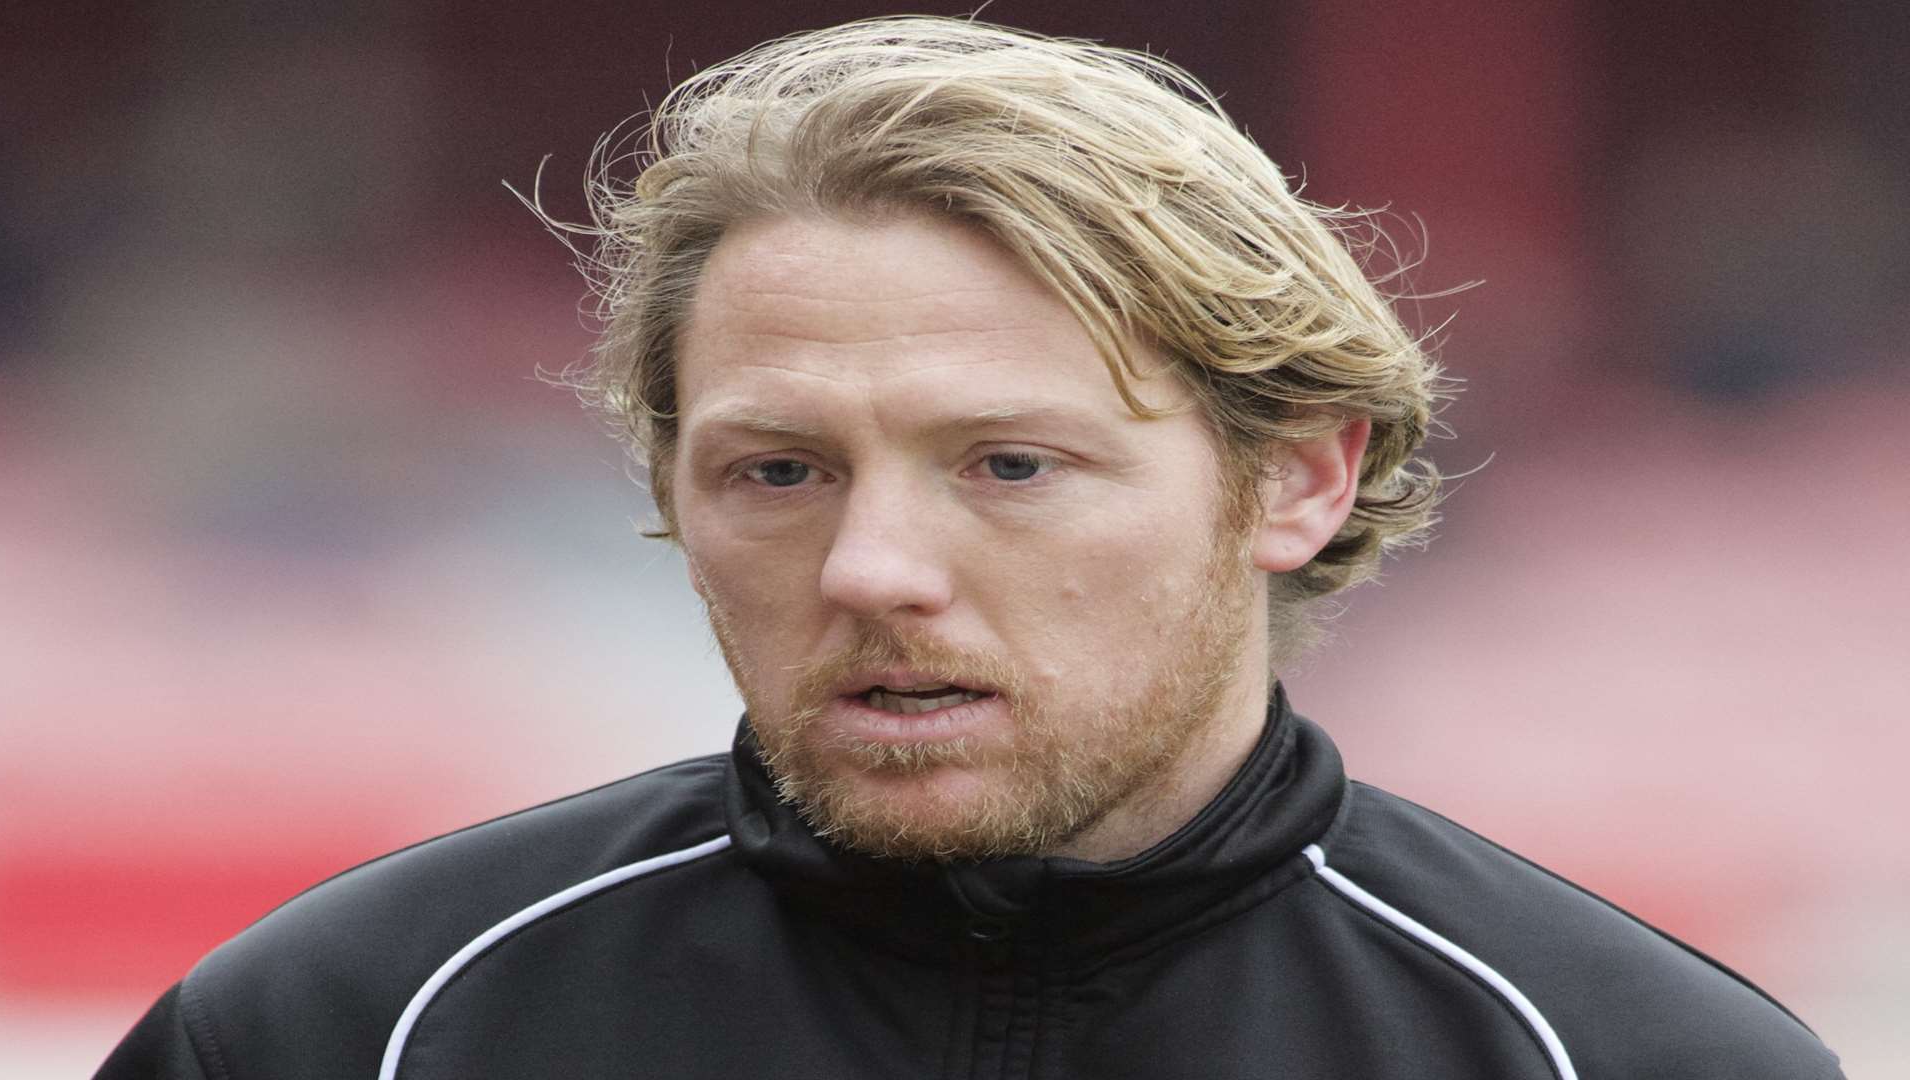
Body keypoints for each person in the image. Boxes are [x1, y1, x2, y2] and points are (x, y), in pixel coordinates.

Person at [98, 16, 1842, 1079]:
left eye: (1008, 464)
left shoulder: (1626, 1059)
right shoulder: (348, 1029)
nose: (872, 569)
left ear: (1298, 481)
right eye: (777, 472)